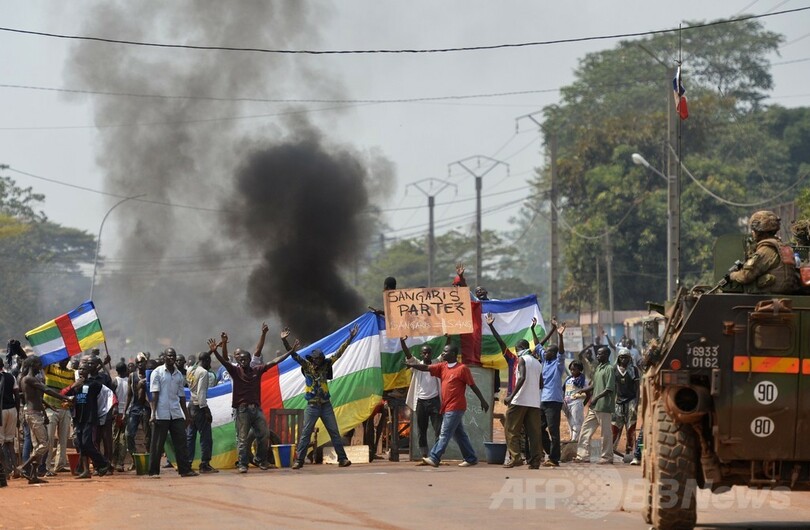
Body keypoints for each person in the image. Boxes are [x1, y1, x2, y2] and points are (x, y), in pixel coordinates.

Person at [209, 324, 296, 473]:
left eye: (245, 359)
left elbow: (274, 361)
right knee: (242, 439)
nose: (242, 361)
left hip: (256, 409)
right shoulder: (235, 371)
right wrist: (215, 350)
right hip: (242, 410)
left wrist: (290, 351)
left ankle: (260, 460)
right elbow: (224, 361)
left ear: (250, 360)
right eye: (240, 359)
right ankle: (243, 464)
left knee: (264, 434)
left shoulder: (257, 369)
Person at [289, 324, 360, 470]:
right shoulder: (307, 366)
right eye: (316, 360)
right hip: (312, 405)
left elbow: (339, 353)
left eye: (320, 359)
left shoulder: (326, 365)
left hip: (325, 404)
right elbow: (294, 356)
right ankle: (299, 461)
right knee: (305, 434)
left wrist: (351, 337)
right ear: (312, 359)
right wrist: (286, 343)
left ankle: (342, 459)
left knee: (334, 432)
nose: (318, 362)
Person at [407, 344, 489, 468]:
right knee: (459, 434)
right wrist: (412, 365)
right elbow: (425, 367)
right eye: (443, 351)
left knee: (444, 433)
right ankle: (471, 458)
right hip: (446, 406)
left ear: (453, 354)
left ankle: (434, 457)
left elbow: (472, 385)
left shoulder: (462, 369)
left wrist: (482, 400)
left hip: (456, 406)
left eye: (446, 352)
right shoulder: (442, 367)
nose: (443, 353)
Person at [19, 356, 73, 483]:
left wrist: (47, 408)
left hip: (35, 413)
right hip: (33, 415)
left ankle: (33, 476)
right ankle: (24, 466)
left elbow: (38, 398)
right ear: (33, 365)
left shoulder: (28, 379)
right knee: (45, 444)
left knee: (38, 445)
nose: (40, 367)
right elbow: (46, 390)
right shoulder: (29, 379)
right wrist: (64, 398)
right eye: (38, 364)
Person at [148, 348, 198, 478]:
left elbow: (181, 396)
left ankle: (185, 470)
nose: (171, 358)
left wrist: (187, 415)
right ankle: (153, 471)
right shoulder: (157, 373)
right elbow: (155, 395)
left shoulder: (179, 375)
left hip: (176, 413)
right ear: (164, 357)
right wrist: (153, 414)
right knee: (157, 444)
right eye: (169, 356)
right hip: (161, 413)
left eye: (173, 356)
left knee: (181, 442)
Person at [728, 210, 800, 294]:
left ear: (758, 231)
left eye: (754, 230)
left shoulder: (766, 249)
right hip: (784, 294)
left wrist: (732, 275)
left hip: (767, 297)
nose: (752, 233)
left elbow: (745, 276)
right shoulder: (783, 247)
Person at [63, 356, 111, 479]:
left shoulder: (94, 384)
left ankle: (103, 463)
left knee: (87, 443)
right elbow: (62, 394)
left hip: (90, 418)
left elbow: (108, 392)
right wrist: (74, 386)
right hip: (78, 418)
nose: (81, 371)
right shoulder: (76, 385)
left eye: (84, 369)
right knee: (80, 444)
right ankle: (86, 471)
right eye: (80, 369)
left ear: (88, 371)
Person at [400, 335, 444, 459]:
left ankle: (436, 455)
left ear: (431, 354)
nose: (426, 355)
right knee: (421, 430)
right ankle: (424, 455)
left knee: (438, 429)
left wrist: (449, 337)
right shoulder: (417, 365)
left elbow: (444, 354)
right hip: (421, 401)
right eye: (424, 353)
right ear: (421, 354)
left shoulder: (436, 363)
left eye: (428, 353)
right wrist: (402, 342)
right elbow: (408, 354)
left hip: (435, 400)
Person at [502, 339, 542, 469]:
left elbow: (522, 377)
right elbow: (541, 384)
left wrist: (511, 396)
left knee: (511, 429)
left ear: (518, 347)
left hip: (519, 400)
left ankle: (516, 457)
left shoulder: (522, 359)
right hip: (534, 402)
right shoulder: (537, 362)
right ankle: (536, 460)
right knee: (534, 432)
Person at [575, 346, 616, 464]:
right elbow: (594, 385)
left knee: (606, 433)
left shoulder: (609, 369)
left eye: (600, 354)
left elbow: (609, 388)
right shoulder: (598, 368)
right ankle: (582, 456)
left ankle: (607, 457)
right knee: (585, 429)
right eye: (597, 354)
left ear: (606, 355)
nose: (597, 356)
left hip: (604, 406)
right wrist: (584, 390)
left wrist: (596, 398)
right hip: (594, 406)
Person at [537, 322, 566, 468]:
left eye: (548, 351)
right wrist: (532, 329)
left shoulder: (558, 364)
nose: (545, 352)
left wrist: (560, 336)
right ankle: (550, 453)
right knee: (539, 428)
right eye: (546, 351)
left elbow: (561, 352)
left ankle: (554, 459)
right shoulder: (544, 361)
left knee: (553, 430)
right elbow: (538, 346)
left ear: (553, 354)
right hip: (543, 399)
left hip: (554, 400)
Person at [186, 351, 217, 473]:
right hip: (199, 407)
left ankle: (188, 462)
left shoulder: (191, 370)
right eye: (209, 362)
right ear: (207, 361)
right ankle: (205, 464)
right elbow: (201, 393)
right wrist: (206, 410)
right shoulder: (203, 373)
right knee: (206, 437)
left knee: (190, 436)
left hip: (190, 405)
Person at [43, 357, 74, 476]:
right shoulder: (50, 368)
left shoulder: (71, 373)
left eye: (66, 360)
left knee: (63, 439)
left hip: (64, 409)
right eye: (62, 359)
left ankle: (60, 465)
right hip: (50, 408)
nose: (64, 361)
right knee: (49, 439)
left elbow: (72, 389)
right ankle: (46, 467)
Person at [611, 349, 639, 457]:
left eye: (626, 357)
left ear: (629, 358)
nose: (623, 359)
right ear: (618, 358)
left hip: (631, 400)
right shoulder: (614, 369)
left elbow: (637, 388)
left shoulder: (633, 370)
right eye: (621, 357)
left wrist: (637, 402)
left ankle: (629, 451)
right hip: (618, 401)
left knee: (631, 427)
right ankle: (611, 450)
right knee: (615, 426)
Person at [124, 352, 151, 462]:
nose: (140, 364)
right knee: (129, 435)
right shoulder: (132, 376)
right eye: (138, 362)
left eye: (142, 362)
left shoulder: (150, 375)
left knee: (148, 436)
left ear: (146, 362)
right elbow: (129, 395)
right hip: (135, 407)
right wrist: (124, 411)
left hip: (147, 407)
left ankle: (149, 460)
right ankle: (135, 459)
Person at [0, 358, 20, 481]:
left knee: (0, 442)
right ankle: (16, 469)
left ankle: (5, 471)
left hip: (1, 412)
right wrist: (17, 412)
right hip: (12, 410)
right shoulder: (11, 377)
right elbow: (17, 395)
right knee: (10, 441)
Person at [111, 362, 129, 472]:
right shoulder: (129, 381)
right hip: (125, 412)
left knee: (115, 437)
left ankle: (114, 461)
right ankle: (120, 463)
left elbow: (112, 396)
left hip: (116, 412)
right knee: (123, 438)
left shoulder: (115, 381)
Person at [563, 361, 587, 442]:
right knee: (570, 423)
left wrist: (583, 404)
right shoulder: (568, 379)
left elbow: (588, 393)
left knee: (576, 423)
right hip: (567, 404)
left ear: (579, 370)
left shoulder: (583, 380)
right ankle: (572, 440)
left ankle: (574, 441)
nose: (572, 371)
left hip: (576, 403)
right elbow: (564, 390)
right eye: (571, 370)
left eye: (574, 370)